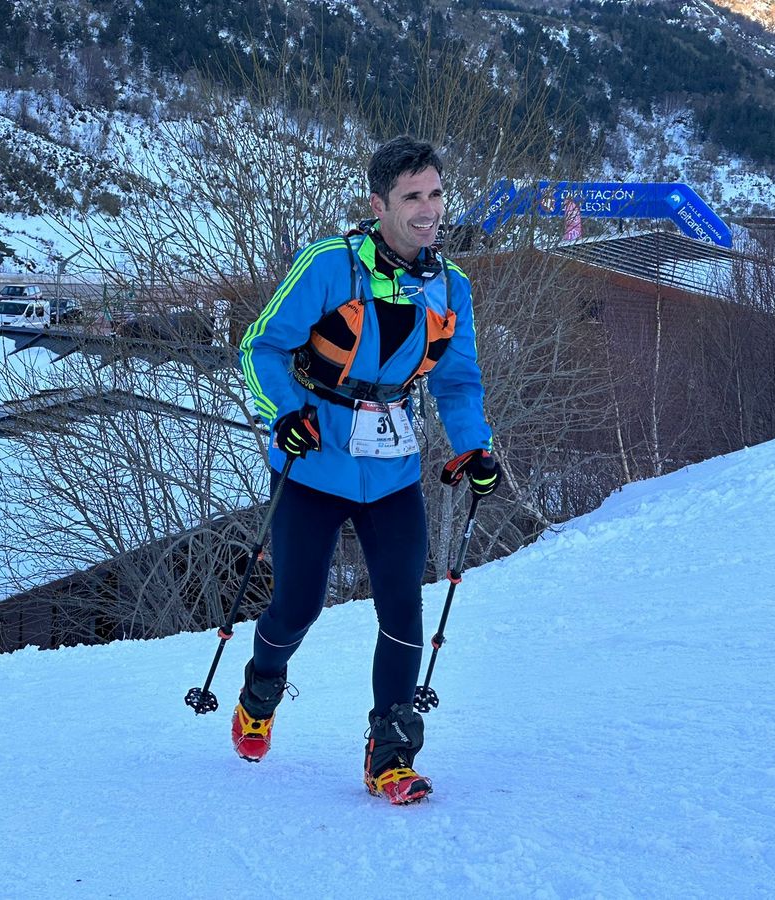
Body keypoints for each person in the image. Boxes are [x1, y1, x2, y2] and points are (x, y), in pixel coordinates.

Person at [236, 136, 502, 805]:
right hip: (314, 461)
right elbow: (261, 347)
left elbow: (460, 382)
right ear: (378, 203)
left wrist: (472, 447)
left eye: (436, 194)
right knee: (298, 604)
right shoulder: (329, 265)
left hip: (392, 468)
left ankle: (390, 756)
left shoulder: (450, 287)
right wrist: (286, 413)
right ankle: (260, 690)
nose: (428, 210)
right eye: (412, 197)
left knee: (402, 609)